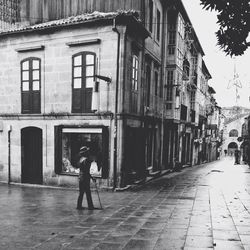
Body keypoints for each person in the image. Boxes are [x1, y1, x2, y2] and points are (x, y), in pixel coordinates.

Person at [76, 146, 96, 210]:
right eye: (87, 151)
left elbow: (83, 170)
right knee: (88, 192)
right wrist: (92, 177)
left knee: (81, 192)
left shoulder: (81, 159)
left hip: (81, 177)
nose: (88, 152)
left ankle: (79, 206)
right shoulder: (86, 160)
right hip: (85, 178)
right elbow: (86, 171)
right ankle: (90, 206)